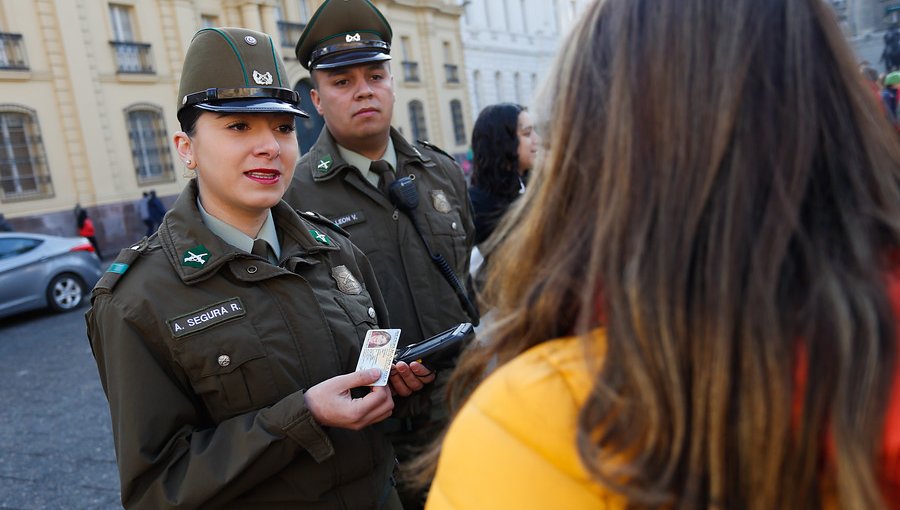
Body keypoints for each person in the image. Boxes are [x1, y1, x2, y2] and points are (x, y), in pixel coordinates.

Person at [425, 0, 900, 508]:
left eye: (541, 130)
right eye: (526, 133)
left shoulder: (525, 426)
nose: (538, 142)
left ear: (598, 144)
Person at [85, 27, 433, 509]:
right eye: (238, 127)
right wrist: (304, 415)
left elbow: (371, 391)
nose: (270, 146)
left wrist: (394, 388)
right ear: (186, 148)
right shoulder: (138, 299)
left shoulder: (335, 251)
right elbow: (156, 490)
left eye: (284, 127)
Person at [283, 2, 477, 507]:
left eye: (375, 75)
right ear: (317, 100)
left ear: (392, 83)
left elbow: (469, 282)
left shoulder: (441, 172)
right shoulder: (293, 200)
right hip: (382, 436)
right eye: (342, 81)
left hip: (472, 407)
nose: (363, 89)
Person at [466, 103, 540, 287]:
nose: (536, 140)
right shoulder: (476, 204)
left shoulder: (538, 186)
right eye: (527, 133)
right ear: (503, 141)